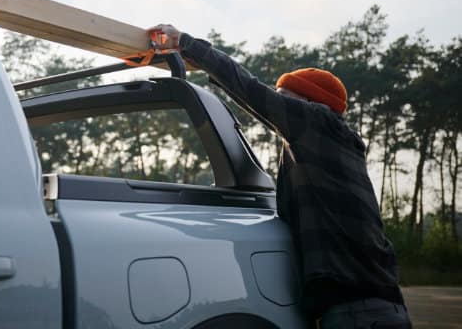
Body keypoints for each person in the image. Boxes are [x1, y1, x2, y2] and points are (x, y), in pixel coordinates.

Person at [148, 24, 411, 329]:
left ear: (312, 103)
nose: (278, 102)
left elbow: (253, 93)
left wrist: (187, 44)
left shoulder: (320, 122)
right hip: (368, 309)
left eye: (285, 96)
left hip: (360, 313)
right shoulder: (322, 150)